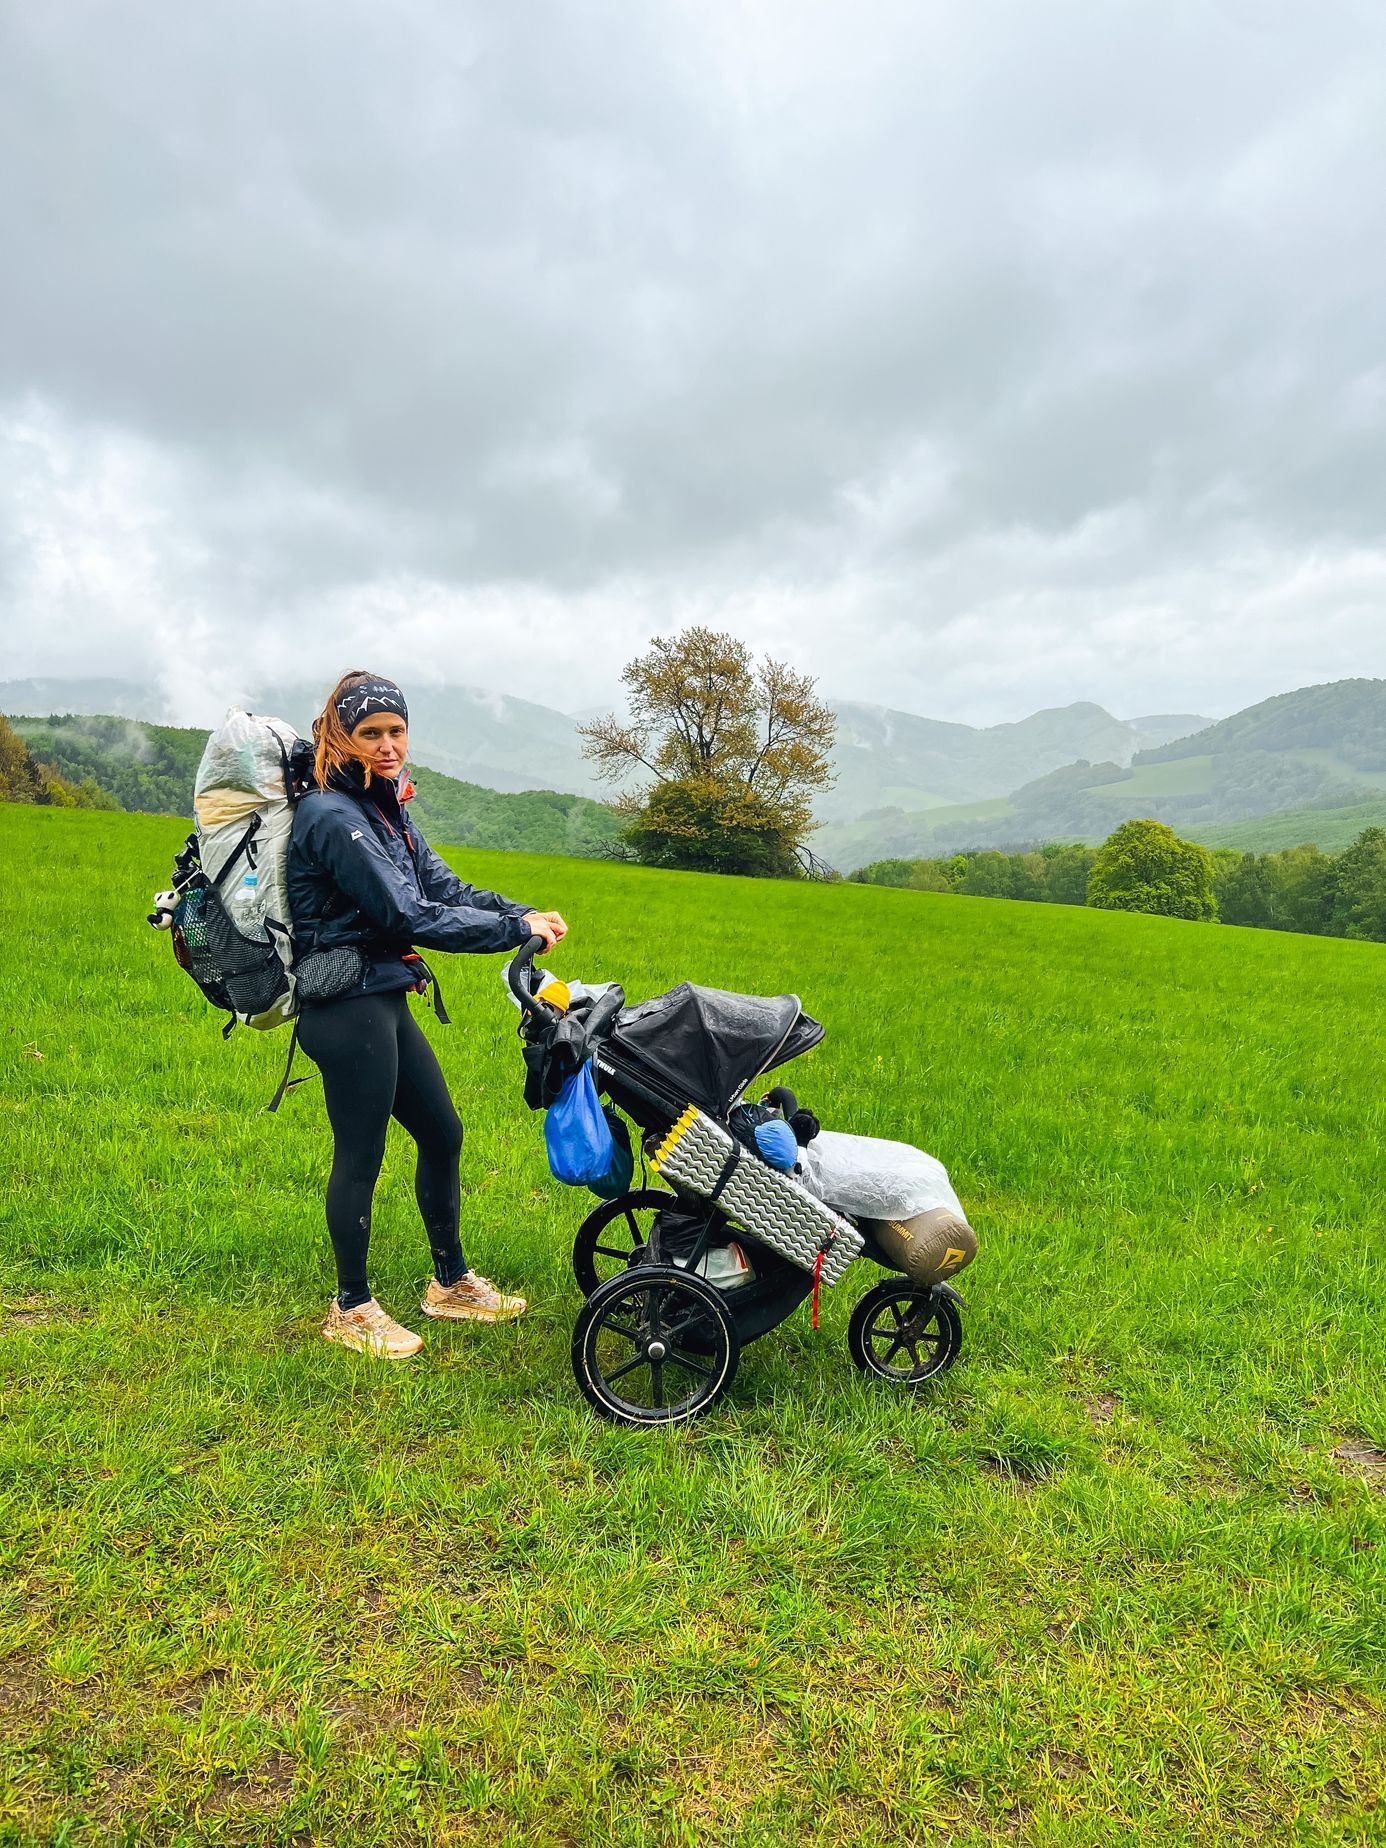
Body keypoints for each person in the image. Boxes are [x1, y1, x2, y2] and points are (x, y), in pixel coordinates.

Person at [286, 669, 567, 1359]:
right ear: (342, 737)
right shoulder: (330, 816)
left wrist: (518, 913)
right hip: (345, 1007)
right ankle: (349, 1307)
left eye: (396, 731)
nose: (388, 746)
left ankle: (449, 1285)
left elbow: (440, 884)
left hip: (383, 994)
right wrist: (509, 933)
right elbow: (405, 913)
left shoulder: (385, 808)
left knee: (442, 1133)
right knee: (362, 1153)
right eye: (371, 733)